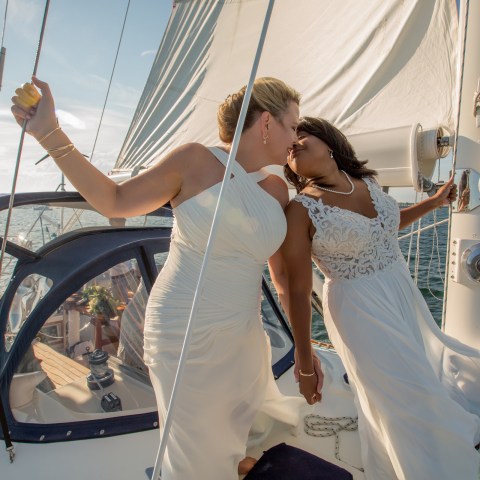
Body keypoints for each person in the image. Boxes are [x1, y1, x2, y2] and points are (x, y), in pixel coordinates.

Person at [11, 76, 303, 479]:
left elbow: (281, 272)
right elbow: (114, 200)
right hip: (186, 330)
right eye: (293, 125)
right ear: (267, 123)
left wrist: (303, 347)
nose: (296, 138)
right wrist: (50, 133)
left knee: (234, 433)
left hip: (245, 333)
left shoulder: (276, 189)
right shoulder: (195, 161)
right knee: (195, 451)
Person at [271, 116, 480, 479]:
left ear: (329, 143)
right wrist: (305, 363)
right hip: (357, 308)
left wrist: (432, 202)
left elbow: (385, 224)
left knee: (418, 380)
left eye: (301, 137)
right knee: (406, 395)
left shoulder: (365, 181)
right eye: (289, 148)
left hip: (398, 290)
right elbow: (299, 291)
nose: (293, 145)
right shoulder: (301, 211)